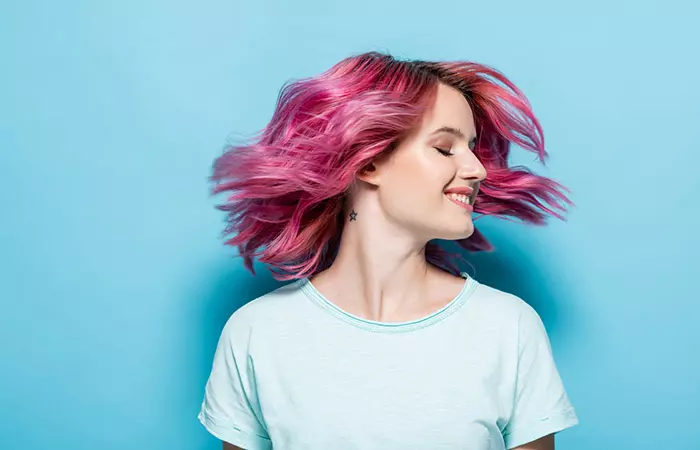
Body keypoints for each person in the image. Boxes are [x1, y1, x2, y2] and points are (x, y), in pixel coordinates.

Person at [197, 51, 579, 450]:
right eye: (446, 148)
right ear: (369, 162)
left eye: (473, 148)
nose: (478, 169)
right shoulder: (258, 333)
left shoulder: (508, 328)